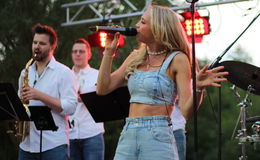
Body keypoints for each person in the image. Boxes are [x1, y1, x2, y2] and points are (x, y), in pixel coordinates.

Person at [96, 4, 228, 160]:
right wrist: (109, 52)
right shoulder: (136, 57)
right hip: (129, 131)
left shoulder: (178, 59)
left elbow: (187, 112)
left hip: (157, 135)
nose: (137, 25)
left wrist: (198, 89)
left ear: (158, 28)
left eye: (143, 22)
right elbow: (103, 89)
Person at [18, 23, 77, 160]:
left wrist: (40, 96)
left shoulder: (64, 72)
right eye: (35, 42)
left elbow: (71, 107)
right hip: (26, 144)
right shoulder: (25, 72)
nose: (37, 47)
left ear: (52, 46)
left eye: (42, 43)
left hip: (54, 144)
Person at [69, 38, 105, 160]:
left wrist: (85, 97)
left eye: (81, 51)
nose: (78, 54)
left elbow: (104, 100)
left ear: (89, 54)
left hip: (92, 133)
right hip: (69, 134)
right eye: (75, 51)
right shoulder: (64, 75)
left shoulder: (98, 75)